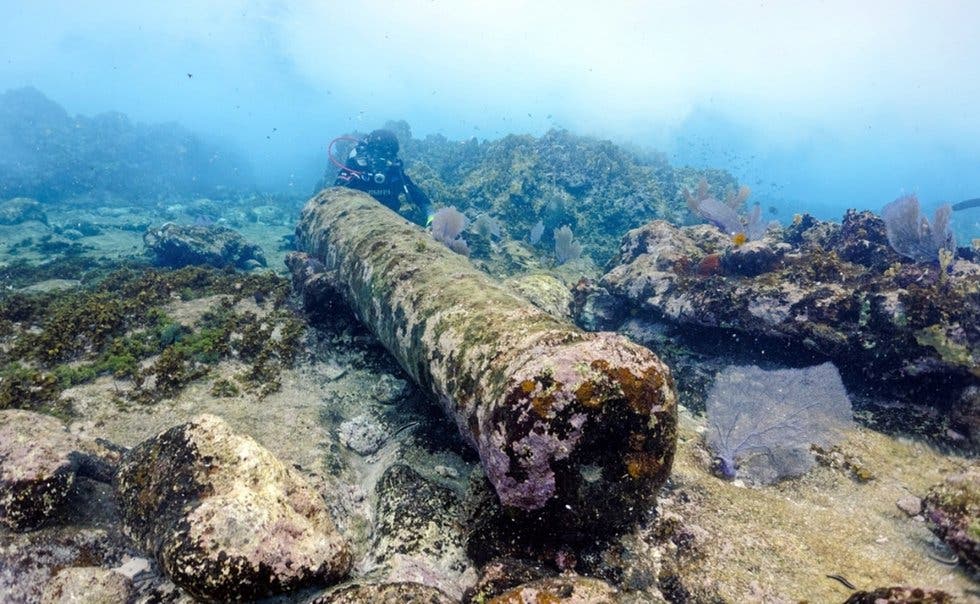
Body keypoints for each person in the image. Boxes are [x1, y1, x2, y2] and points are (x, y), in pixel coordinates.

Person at [333, 129, 430, 225]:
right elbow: (335, 195)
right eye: (377, 155)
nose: (381, 161)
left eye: (387, 156)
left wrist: (432, 217)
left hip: (389, 222)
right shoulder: (355, 168)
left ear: (393, 157)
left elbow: (420, 198)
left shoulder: (395, 172)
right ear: (367, 154)